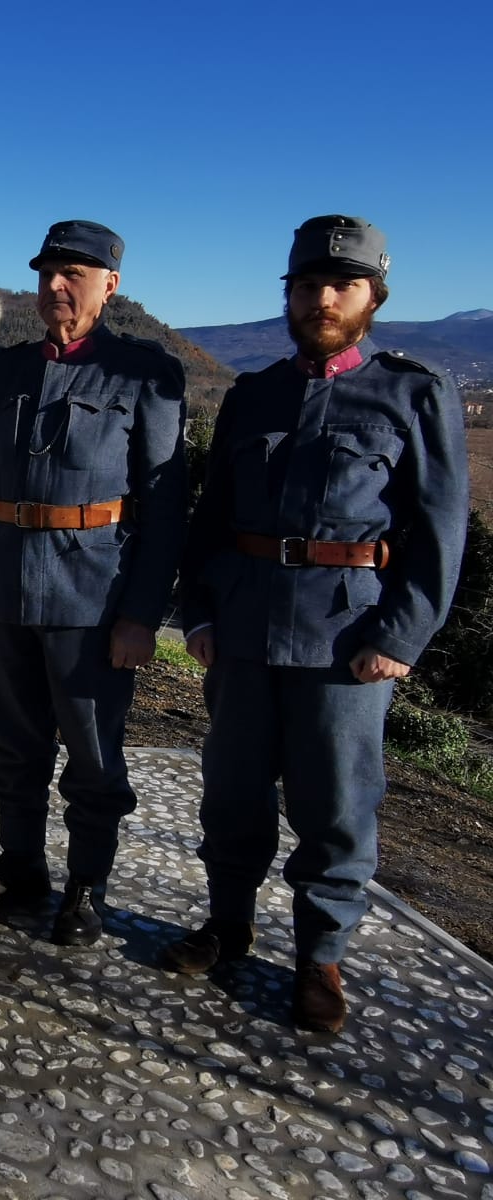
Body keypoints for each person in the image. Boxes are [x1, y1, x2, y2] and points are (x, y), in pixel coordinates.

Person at [162, 215, 469, 1032]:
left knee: (336, 807)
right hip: (244, 629)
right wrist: (197, 612)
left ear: (373, 297)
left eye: (343, 285)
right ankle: (228, 926)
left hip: (346, 640)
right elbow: (212, 515)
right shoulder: (255, 394)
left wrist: (400, 639)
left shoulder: (411, 392)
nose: (323, 297)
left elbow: (438, 529)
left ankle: (320, 956)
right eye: (308, 285)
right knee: (230, 795)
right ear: (289, 294)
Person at [0, 220, 187, 947]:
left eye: (74, 274)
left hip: (93, 596)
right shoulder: (1, 373)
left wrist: (143, 613)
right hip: (5, 586)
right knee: (14, 748)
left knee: (92, 753)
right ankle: (21, 868)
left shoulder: (144, 375)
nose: (56, 286)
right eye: (48, 272)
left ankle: (86, 885)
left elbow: (166, 507)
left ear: (110, 286)